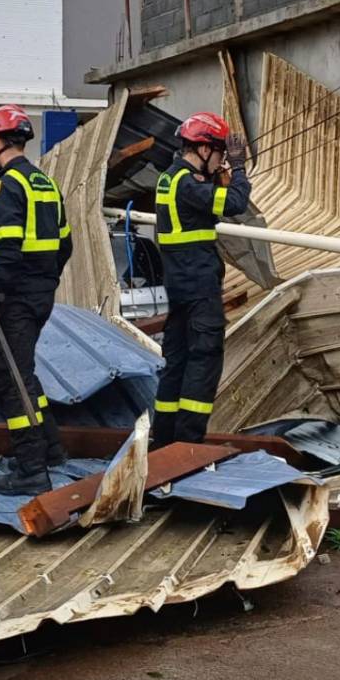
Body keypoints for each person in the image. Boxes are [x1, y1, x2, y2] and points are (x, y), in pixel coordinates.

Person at [0, 106, 74, 496]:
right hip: (41, 293)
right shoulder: (44, 183)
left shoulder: (5, 186)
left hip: (15, 297)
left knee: (11, 377)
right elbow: (65, 244)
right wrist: (45, 280)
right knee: (24, 371)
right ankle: (50, 449)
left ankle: (31, 469)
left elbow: (7, 247)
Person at [151, 113, 250, 448]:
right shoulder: (188, 184)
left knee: (176, 363)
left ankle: (162, 443)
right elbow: (236, 203)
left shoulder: (171, 178)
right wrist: (238, 169)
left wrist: (216, 178)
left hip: (179, 287)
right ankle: (188, 447)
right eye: (221, 152)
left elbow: (200, 210)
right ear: (205, 149)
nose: (222, 159)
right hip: (199, 287)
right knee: (203, 362)